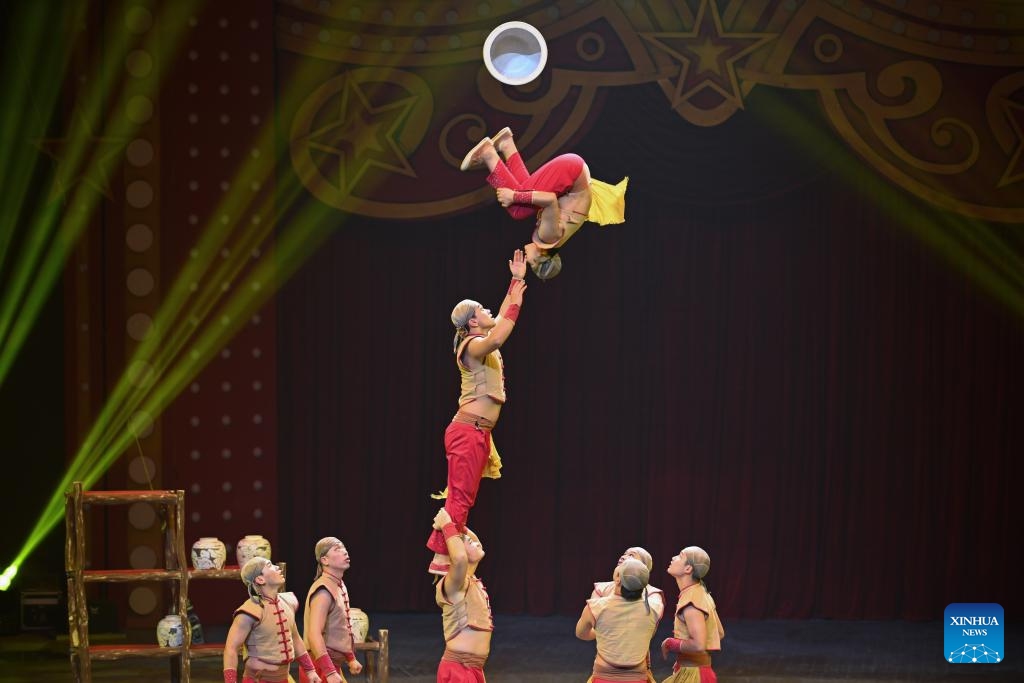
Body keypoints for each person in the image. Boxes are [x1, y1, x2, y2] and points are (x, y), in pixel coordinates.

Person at [425, 250, 527, 575]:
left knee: (463, 497)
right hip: (467, 431)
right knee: (460, 497)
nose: (487, 311)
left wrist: (517, 279)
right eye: (481, 310)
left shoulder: (478, 336)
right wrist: (517, 300)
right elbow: (498, 334)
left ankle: (444, 553)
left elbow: (498, 319)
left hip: (479, 432)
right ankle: (441, 557)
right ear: (472, 322)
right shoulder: (471, 346)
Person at [460, 127, 628, 279]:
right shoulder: (548, 237)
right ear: (541, 258)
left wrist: (518, 195)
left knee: (524, 200)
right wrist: (513, 197)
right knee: (518, 210)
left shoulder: (554, 239)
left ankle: (506, 143)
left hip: (576, 171)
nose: (528, 260)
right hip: (572, 171)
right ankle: (488, 153)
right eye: (532, 263)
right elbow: (550, 200)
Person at [223, 557, 321, 683]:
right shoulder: (250, 611)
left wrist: (311, 671)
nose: (277, 568)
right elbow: (231, 648)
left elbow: (296, 639)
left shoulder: (287, 602)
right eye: (270, 565)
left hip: (283, 678)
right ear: (260, 579)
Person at [576, 558, 664, 683]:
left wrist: (604, 633)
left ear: (618, 579)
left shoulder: (595, 608)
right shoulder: (655, 609)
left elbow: (581, 634)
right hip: (638, 678)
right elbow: (648, 634)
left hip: (603, 678)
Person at [432, 508, 492, 682]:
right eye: (466, 541)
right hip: (458, 669)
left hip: (474, 669)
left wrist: (459, 523)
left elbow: (476, 543)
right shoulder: (453, 584)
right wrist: (446, 524)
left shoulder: (471, 580)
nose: (474, 541)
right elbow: (459, 559)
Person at [301, 537, 363, 683]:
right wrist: (329, 672)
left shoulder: (338, 584)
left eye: (344, 548)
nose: (345, 552)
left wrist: (350, 658)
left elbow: (340, 627)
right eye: (337, 549)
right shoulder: (323, 591)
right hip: (319, 667)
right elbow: (314, 634)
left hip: (331, 665)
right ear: (325, 560)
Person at [659, 546, 725, 683]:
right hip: (699, 671)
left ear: (688, 569)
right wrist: (685, 659)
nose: (673, 557)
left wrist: (671, 643)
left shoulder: (691, 601)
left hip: (695, 676)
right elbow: (718, 633)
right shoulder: (701, 592)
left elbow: (698, 645)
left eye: (680, 555)